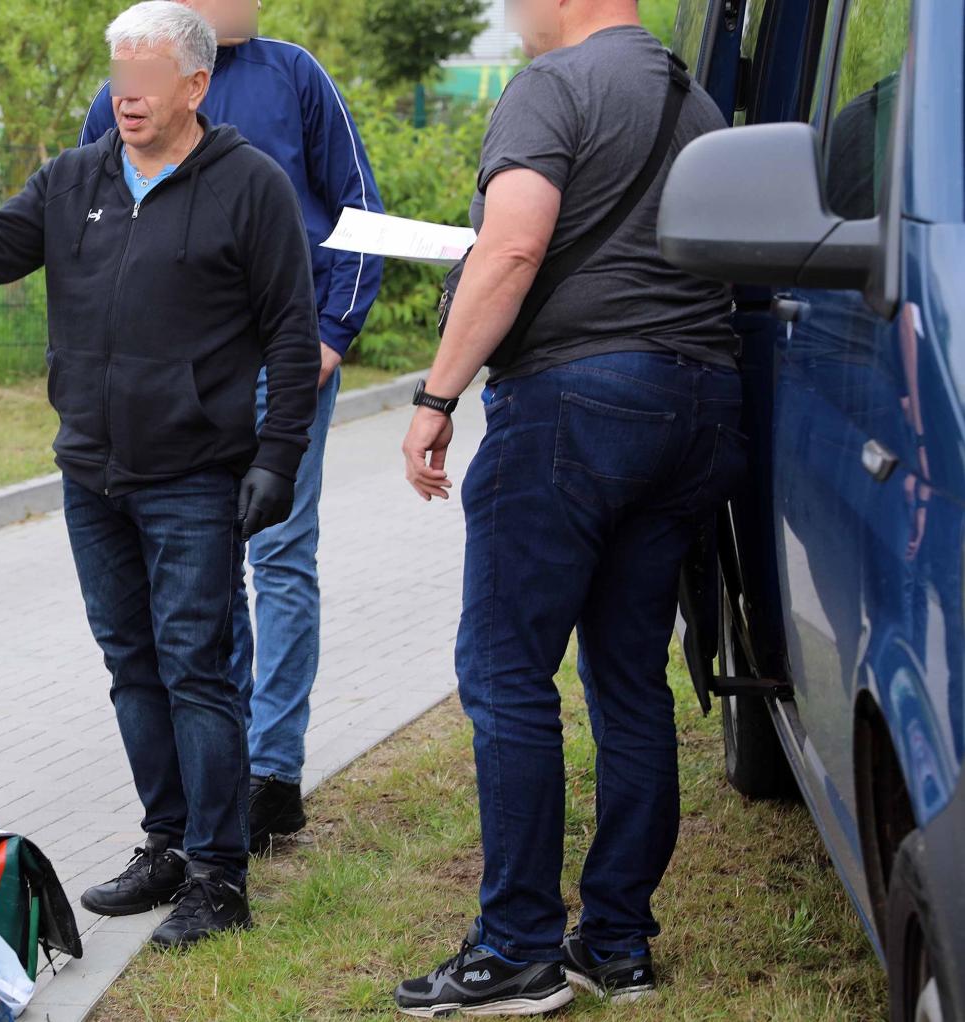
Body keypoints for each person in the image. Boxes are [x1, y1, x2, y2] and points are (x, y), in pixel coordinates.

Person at [0, 0, 320, 949]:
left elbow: (293, 332)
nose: (125, 95)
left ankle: (219, 876)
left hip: (198, 477)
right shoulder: (73, 178)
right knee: (133, 667)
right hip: (93, 473)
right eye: (117, 75)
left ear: (196, 85)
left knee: (197, 671)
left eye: (145, 79)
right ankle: (166, 844)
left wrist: (278, 458)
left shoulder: (248, 187)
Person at [393, 0, 740, 1015]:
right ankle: (617, 943)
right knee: (628, 675)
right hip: (699, 406)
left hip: (574, 407)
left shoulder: (550, 89)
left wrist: (433, 395)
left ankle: (515, 949)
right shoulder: (699, 103)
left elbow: (508, 251)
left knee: (504, 671)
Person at [81, 0, 384, 852]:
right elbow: (89, 222)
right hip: (177, 387)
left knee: (280, 555)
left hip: (287, 366)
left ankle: (272, 773)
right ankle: (222, 768)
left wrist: (330, 335)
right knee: (203, 572)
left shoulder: (296, 75)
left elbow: (359, 207)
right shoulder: (128, 91)